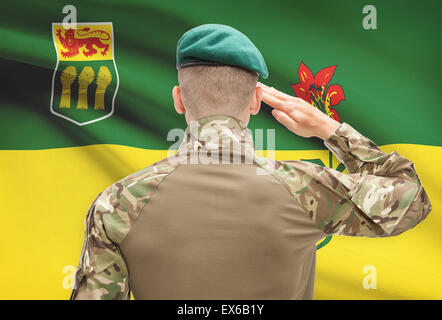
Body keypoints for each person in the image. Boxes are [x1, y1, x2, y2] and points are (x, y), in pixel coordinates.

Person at [70, 24, 431, 300]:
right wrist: (330, 129)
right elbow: (411, 197)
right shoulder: (305, 188)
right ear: (257, 101)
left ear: (179, 100)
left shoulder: (116, 203)